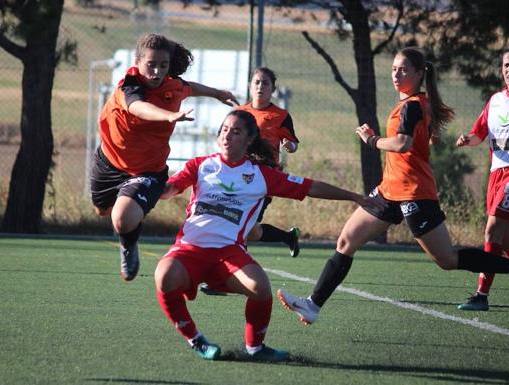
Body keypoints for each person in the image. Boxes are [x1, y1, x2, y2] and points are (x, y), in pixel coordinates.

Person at [276, 47, 509, 325]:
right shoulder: (415, 103)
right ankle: (313, 304)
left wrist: (371, 140)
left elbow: (402, 143)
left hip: (414, 192)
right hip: (389, 190)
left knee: (446, 259)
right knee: (346, 241)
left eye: (404, 69)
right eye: (394, 68)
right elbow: (420, 139)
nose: (397, 74)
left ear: (420, 74)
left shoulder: (412, 105)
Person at [154, 110, 386, 361]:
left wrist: (354, 196)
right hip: (190, 248)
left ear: (249, 139)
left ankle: (255, 348)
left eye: (236, 131)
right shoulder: (200, 165)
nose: (227, 136)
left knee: (260, 287)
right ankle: (196, 340)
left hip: (228, 253)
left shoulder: (261, 175)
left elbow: (310, 186)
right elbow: (169, 189)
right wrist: (149, 183)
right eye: (224, 130)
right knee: (163, 275)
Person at [91, 33, 238, 282]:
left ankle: (128, 246)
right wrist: (168, 116)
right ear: (137, 62)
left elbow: (189, 88)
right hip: (108, 163)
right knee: (102, 209)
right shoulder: (129, 86)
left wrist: (216, 93)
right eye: (151, 64)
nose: (157, 71)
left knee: (122, 220)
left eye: (163, 65)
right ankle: (128, 228)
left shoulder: (173, 86)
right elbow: (138, 107)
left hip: (148, 170)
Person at [456, 47, 509, 311]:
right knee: (506, 240)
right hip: (496, 172)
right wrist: (468, 140)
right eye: (506, 65)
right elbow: (479, 133)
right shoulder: (496, 100)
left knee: (491, 230)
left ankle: (481, 295)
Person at [238, 67, 301, 257]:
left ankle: (231, 272)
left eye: (265, 83)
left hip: (265, 177)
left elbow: (293, 143)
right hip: (238, 176)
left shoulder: (280, 116)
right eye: (256, 82)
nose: (260, 86)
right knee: (247, 228)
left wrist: (290, 146)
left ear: (273, 89)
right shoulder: (240, 113)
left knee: (243, 224)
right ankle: (288, 238)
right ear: (250, 86)